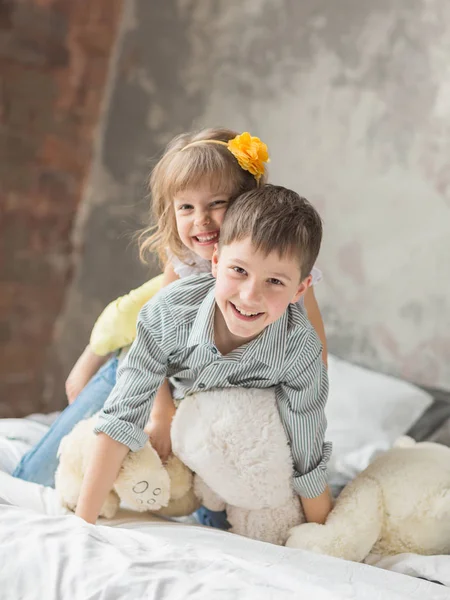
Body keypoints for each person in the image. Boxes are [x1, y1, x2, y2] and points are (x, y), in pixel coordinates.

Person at [13, 129, 327, 495]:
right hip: (146, 372)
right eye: (187, 208)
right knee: (44, 469)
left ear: (248, 203)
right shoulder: (184, 262)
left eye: (217, 203)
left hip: (216, 387)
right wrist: (159, 411)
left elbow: (314, 355)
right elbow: (144, 337)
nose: (202, 221)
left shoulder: (282, 271)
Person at [75, 184, 333, 526]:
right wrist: (82, 525)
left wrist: (323, 538)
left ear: (299, 289)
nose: (249, 296)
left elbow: (306, 451)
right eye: (238, 271)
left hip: (238, 451)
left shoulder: (299, 348)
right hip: (176, 422)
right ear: (215, 262)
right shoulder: (168, 313)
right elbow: (123, 416)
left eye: (274, 281)